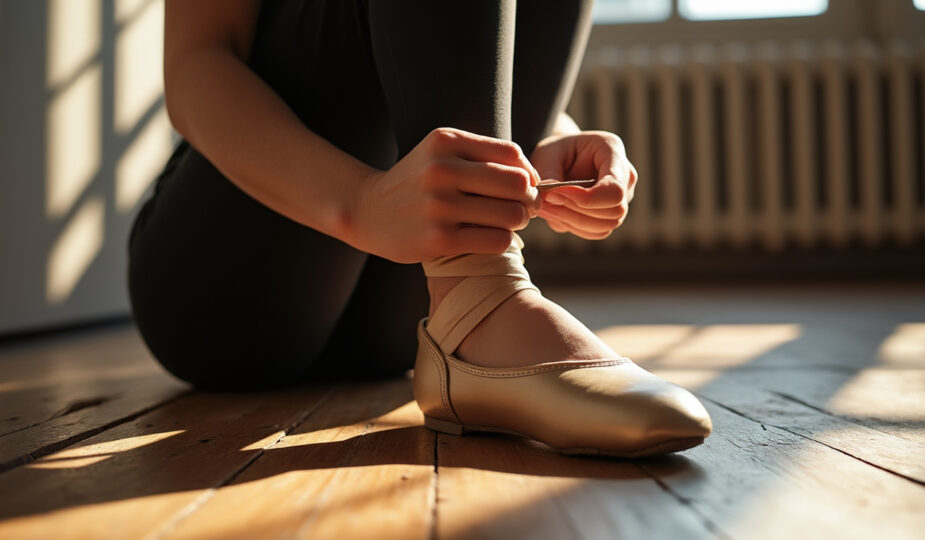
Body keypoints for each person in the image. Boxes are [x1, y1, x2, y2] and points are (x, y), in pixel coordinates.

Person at [128, 0, 712, 457]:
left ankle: (468, 307)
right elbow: (196, 63)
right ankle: (479, 299)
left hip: (399, 313)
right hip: (225, 286)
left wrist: (546, 139)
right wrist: (358, 202)